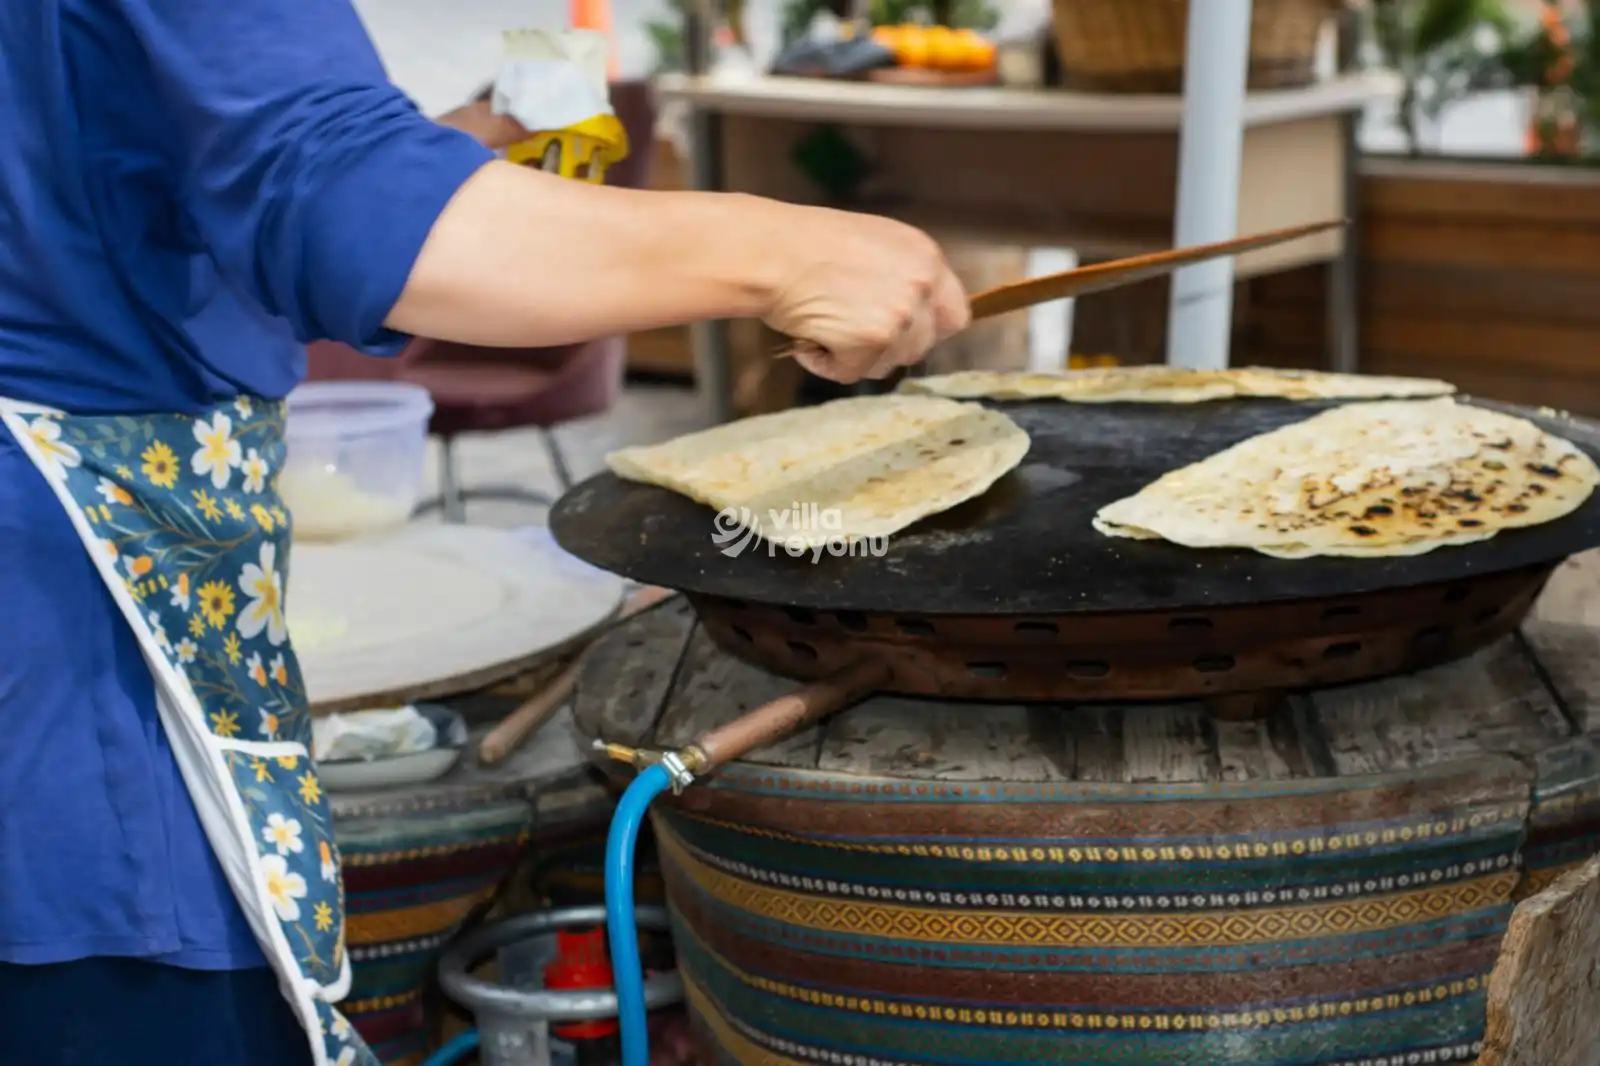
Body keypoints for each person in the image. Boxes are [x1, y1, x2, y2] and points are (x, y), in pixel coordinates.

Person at [0, 2, 969, 1065]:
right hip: (63, 651)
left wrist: (449, 139)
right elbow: (338, 206)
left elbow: (123, 176)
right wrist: (783, 250)